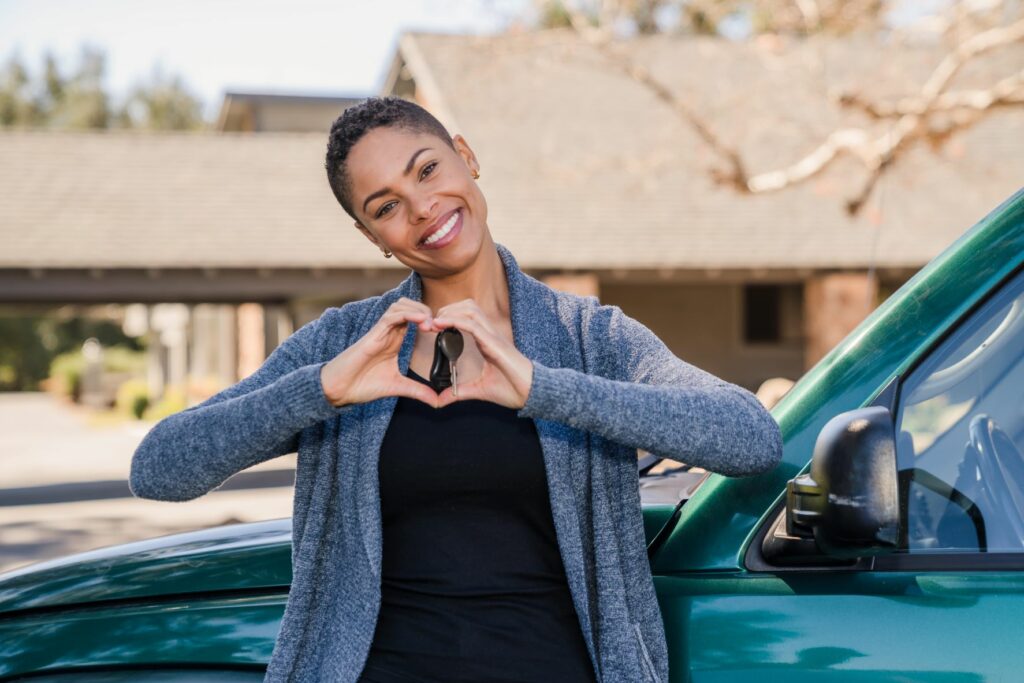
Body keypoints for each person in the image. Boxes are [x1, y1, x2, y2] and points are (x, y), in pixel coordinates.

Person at [129, 96, 784, 683]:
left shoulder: (589, 337)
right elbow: (159, 467)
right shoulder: (343, 345)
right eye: (385, 206)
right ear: (371, 237)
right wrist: (321, 390)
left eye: (427, 169)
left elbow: (750, 435)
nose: (421, 208)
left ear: (465, 156)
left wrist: (541, 388)